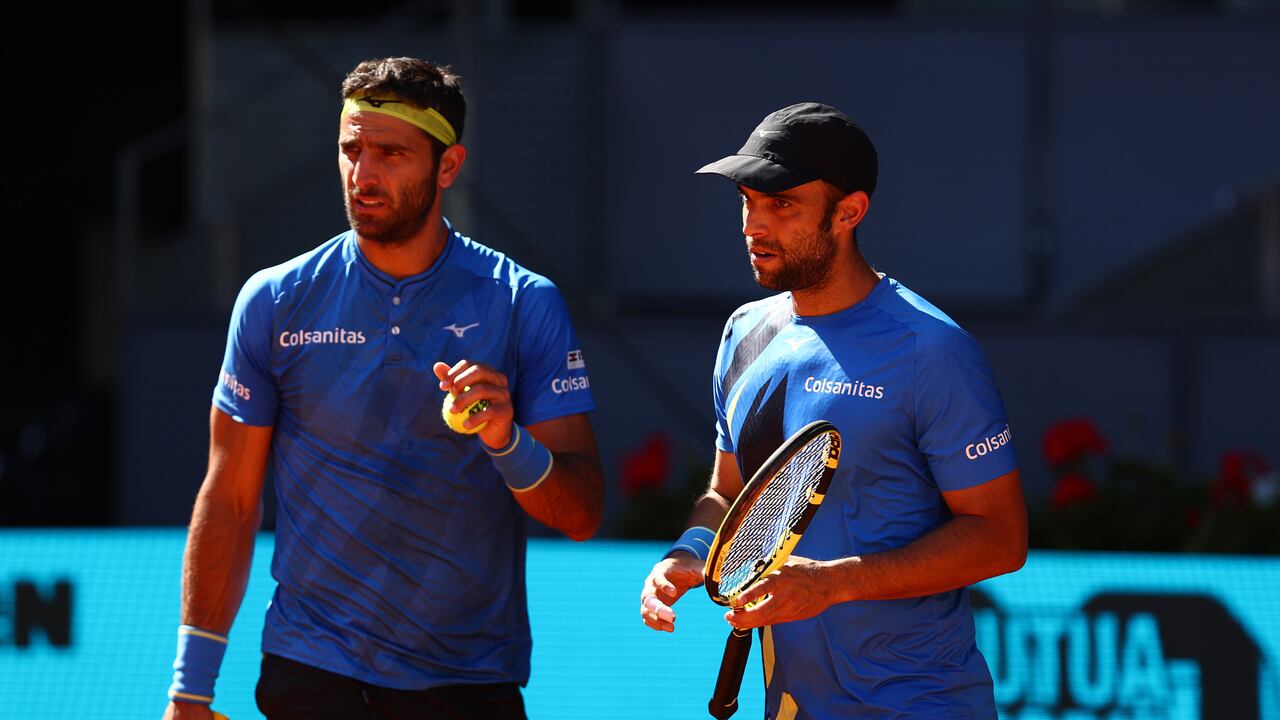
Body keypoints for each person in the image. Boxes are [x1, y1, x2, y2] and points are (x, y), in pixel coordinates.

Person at [162, 56, 604, 720]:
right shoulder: (275, 301)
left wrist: (506, 440)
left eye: (391, 154)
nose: (362, 175)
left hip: (466, 683)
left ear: (448, 167)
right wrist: (190, 690)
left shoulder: (523, 303)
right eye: (351, 150)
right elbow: (228, 499)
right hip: (310, 672)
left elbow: (581, 514)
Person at [639, 102, 1027, 719]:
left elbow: (1000, 539)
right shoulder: (745, 332)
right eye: (747, 201)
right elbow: (728, 490)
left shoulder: (933, 350)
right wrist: (690, 550)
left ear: (849, 212)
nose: (753, 225)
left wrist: (832, 583)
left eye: (782, 204)